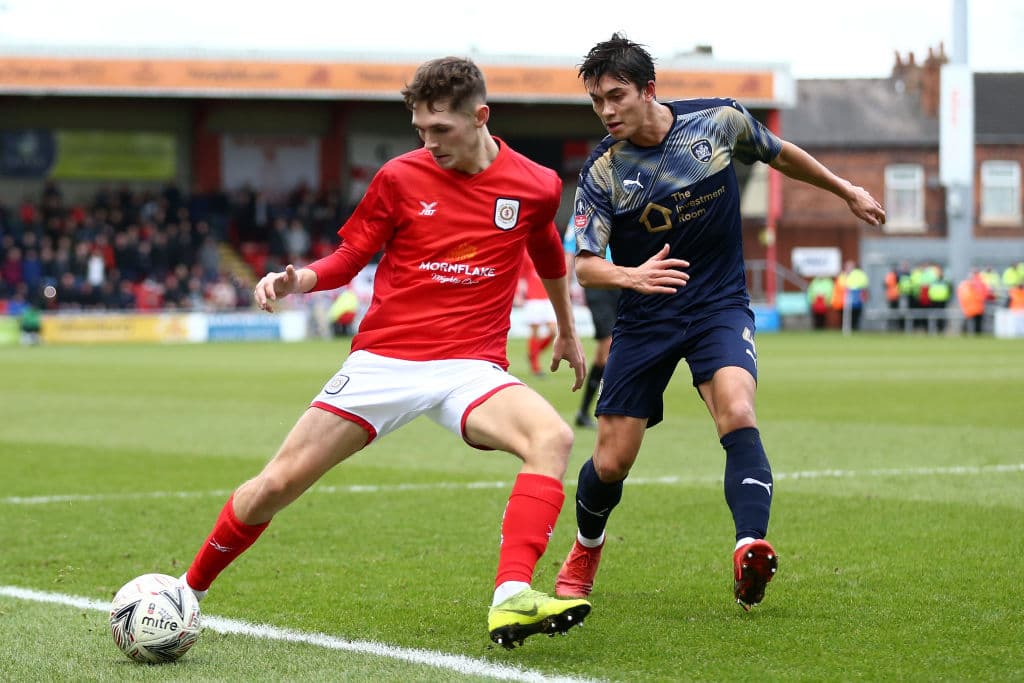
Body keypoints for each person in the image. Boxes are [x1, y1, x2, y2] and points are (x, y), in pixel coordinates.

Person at [179, 56, 592, 649]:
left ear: (481, 117)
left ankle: (511, 597)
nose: (429, 143)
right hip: (385, 361)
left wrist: (566, 330)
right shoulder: (399, 177)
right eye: (420, 130)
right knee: (277, 484)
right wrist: (299, 280)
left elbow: (547, 252)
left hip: (470, 368)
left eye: (441, 129)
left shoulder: (537, 184)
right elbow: (350, 258)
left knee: (551, 437)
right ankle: (186, 591)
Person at [554, 34, 886, 611]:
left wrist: (845, 190)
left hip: (718, 304)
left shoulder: (718, 122)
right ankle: (586, 547)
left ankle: (749, 546)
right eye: (597, 101)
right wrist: (631, 275)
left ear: (648, 90)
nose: (606, 110)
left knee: (737, 410)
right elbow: (583, 265)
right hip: (646, 317)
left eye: (616, 96)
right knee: (611, 461)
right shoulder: (603, 171)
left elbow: (780, 153)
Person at [563, 228, 619, 427]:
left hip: (625, 279)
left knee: (605, 354)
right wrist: (565, 292)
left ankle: (584, 412)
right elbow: (569, 253)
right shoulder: (581, 217)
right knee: (608, 345)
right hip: (598, 283)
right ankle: (607, 410)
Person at [517, 253, 558, 376]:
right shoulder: (524, 252)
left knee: (553, 332)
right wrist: (518, 295)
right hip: (532, 298)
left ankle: (533, 354)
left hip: (548, 296)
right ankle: (535, 367)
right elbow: (520, 275)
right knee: (535, 332)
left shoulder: (548, 249)